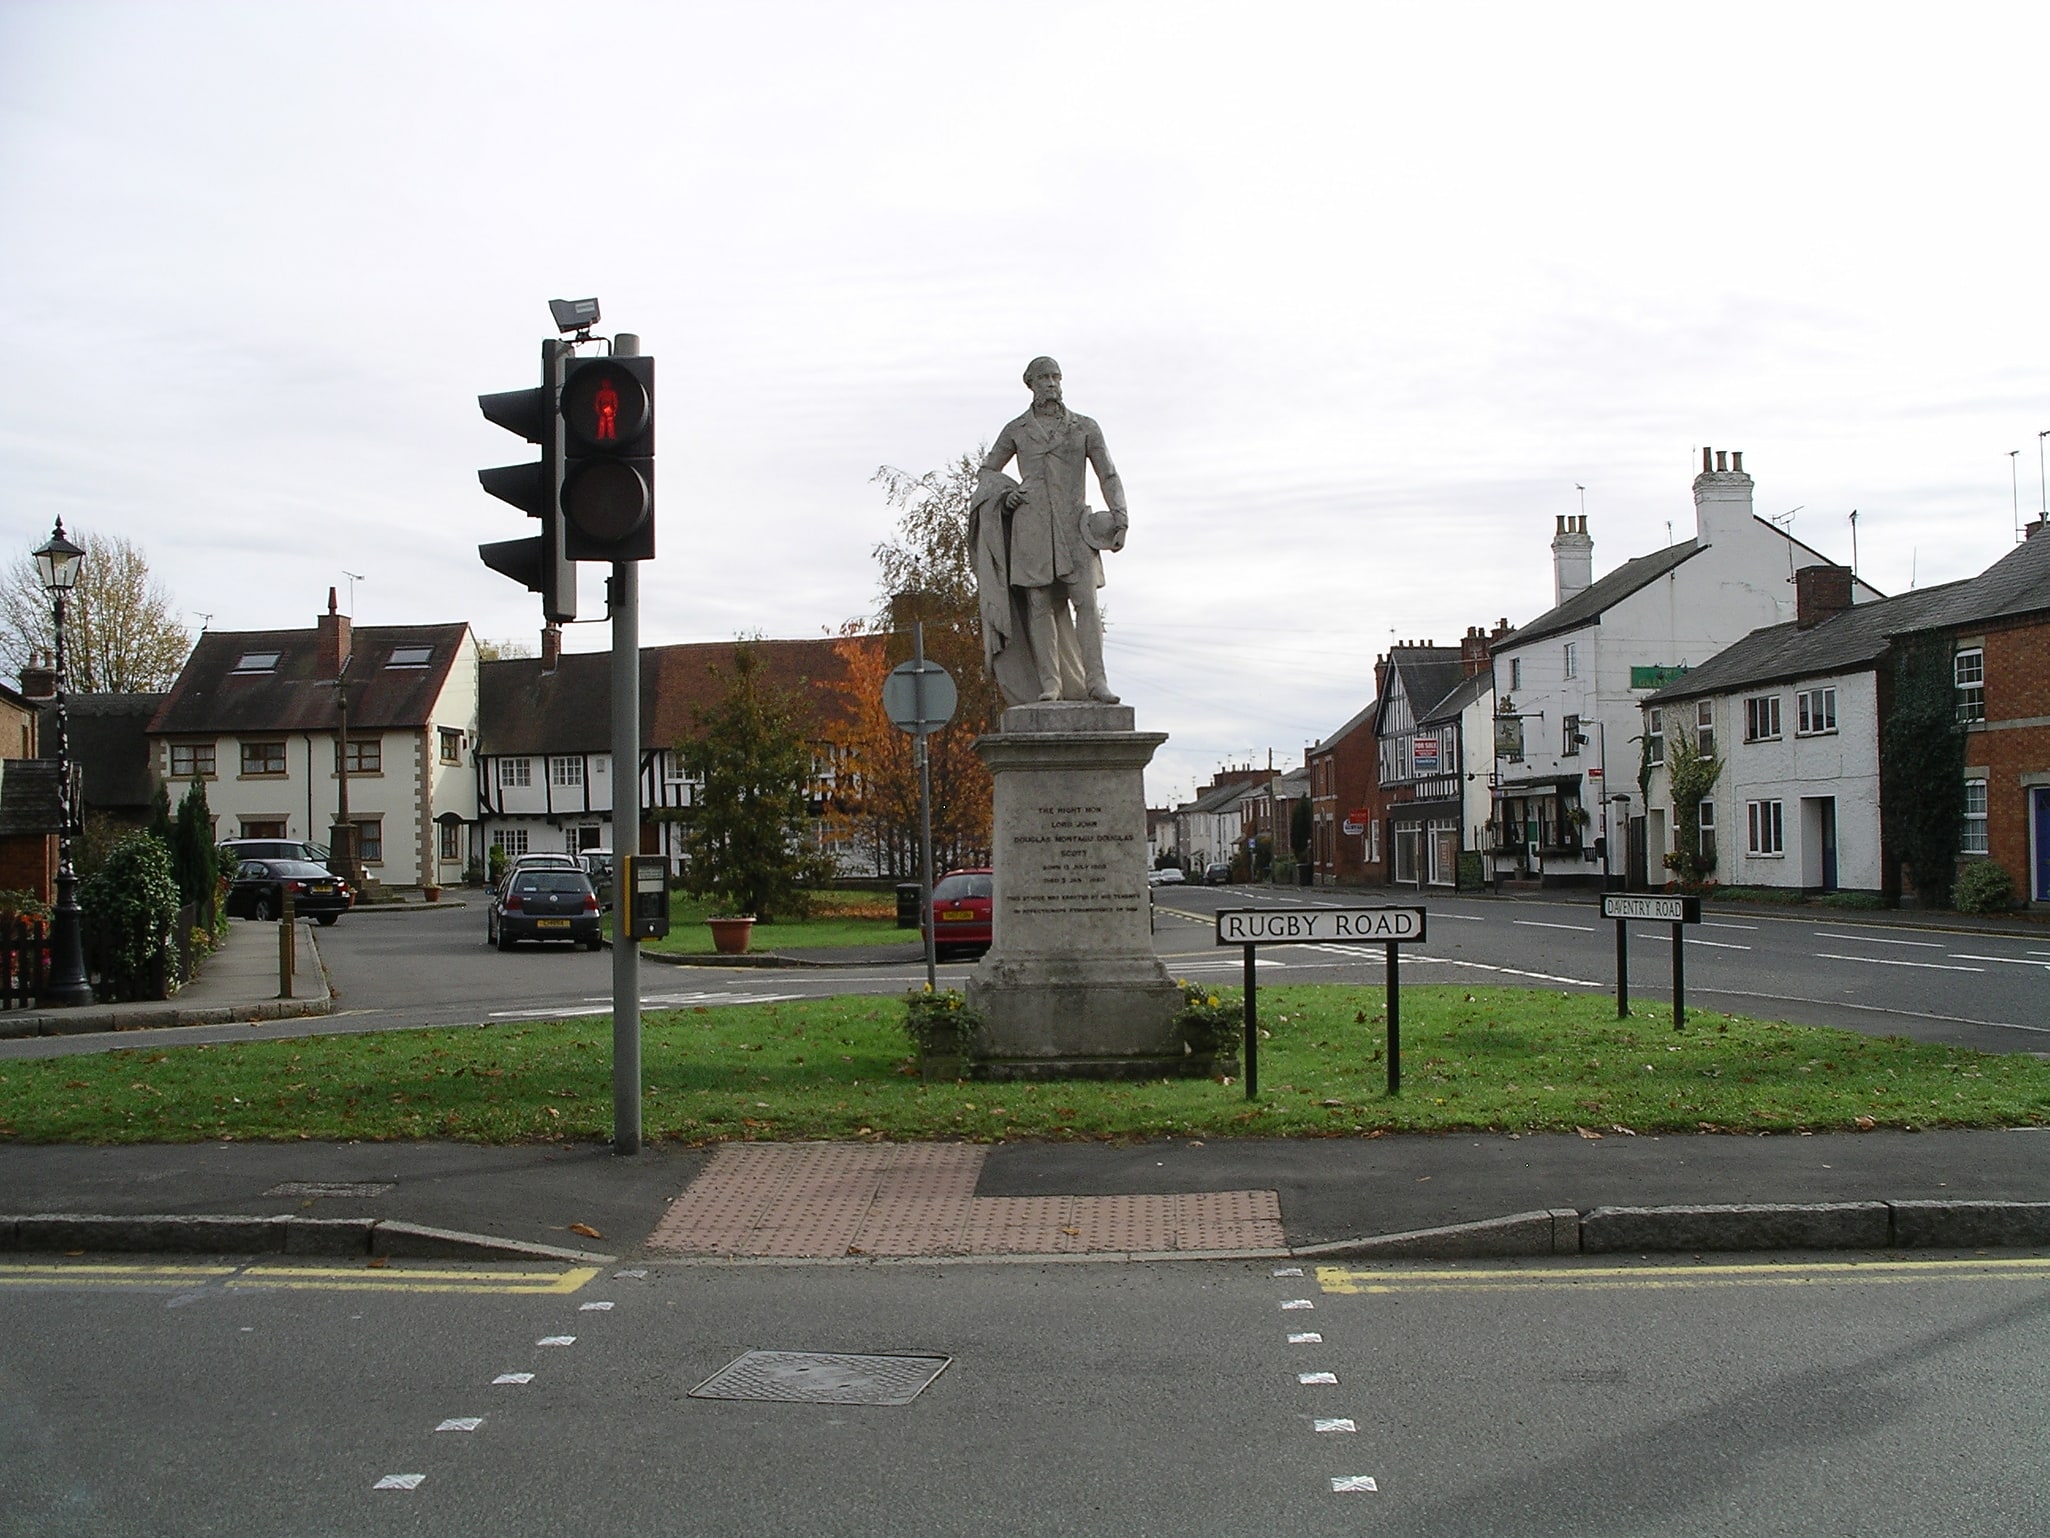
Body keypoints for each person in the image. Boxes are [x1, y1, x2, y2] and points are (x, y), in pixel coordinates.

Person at [969, 357, 1129, 706]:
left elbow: (1108, 474)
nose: (1051, 383)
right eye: (1043, 377)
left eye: (1055, 376)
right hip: (1031, 530)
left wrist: (1120, 515)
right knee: (1039, 604)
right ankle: (1051, 685)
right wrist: (1007, 495)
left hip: (1076, 530)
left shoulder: (1084, 427)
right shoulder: (1016, 430)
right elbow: (986, 472)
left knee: (1086, 603)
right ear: (1030, 384)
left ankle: (1096, 682)